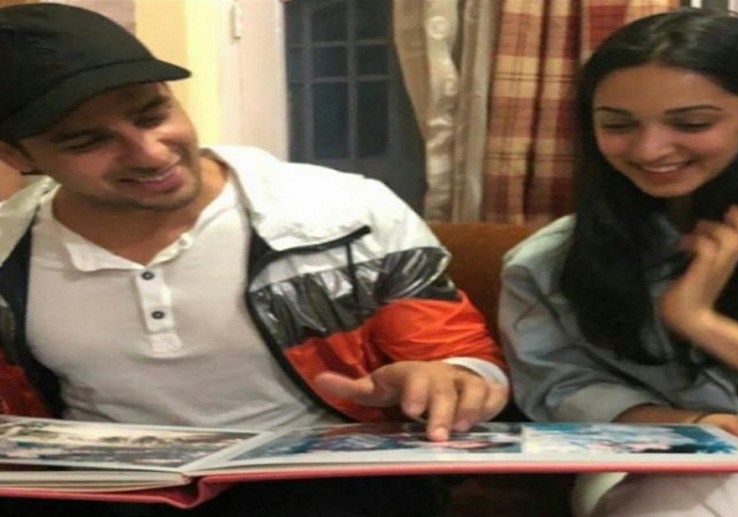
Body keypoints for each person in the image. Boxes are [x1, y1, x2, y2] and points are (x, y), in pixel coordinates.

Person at [0, 3, 509, 516]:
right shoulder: (7, 249)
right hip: (100, 491)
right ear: (17, 155)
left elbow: (460, 359)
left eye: (153, 114)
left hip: (324, 483)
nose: (151, 153)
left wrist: (449, 380)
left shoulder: (345, 213)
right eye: (88, 141)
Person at [500, 7, 738, 517]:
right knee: (663, 497)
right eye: (618, 124)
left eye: (691, 123)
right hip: (647, 454)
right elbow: (564, 393)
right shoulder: (546, 263)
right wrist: (700, 426)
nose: (650, 149)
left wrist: (700, 321)